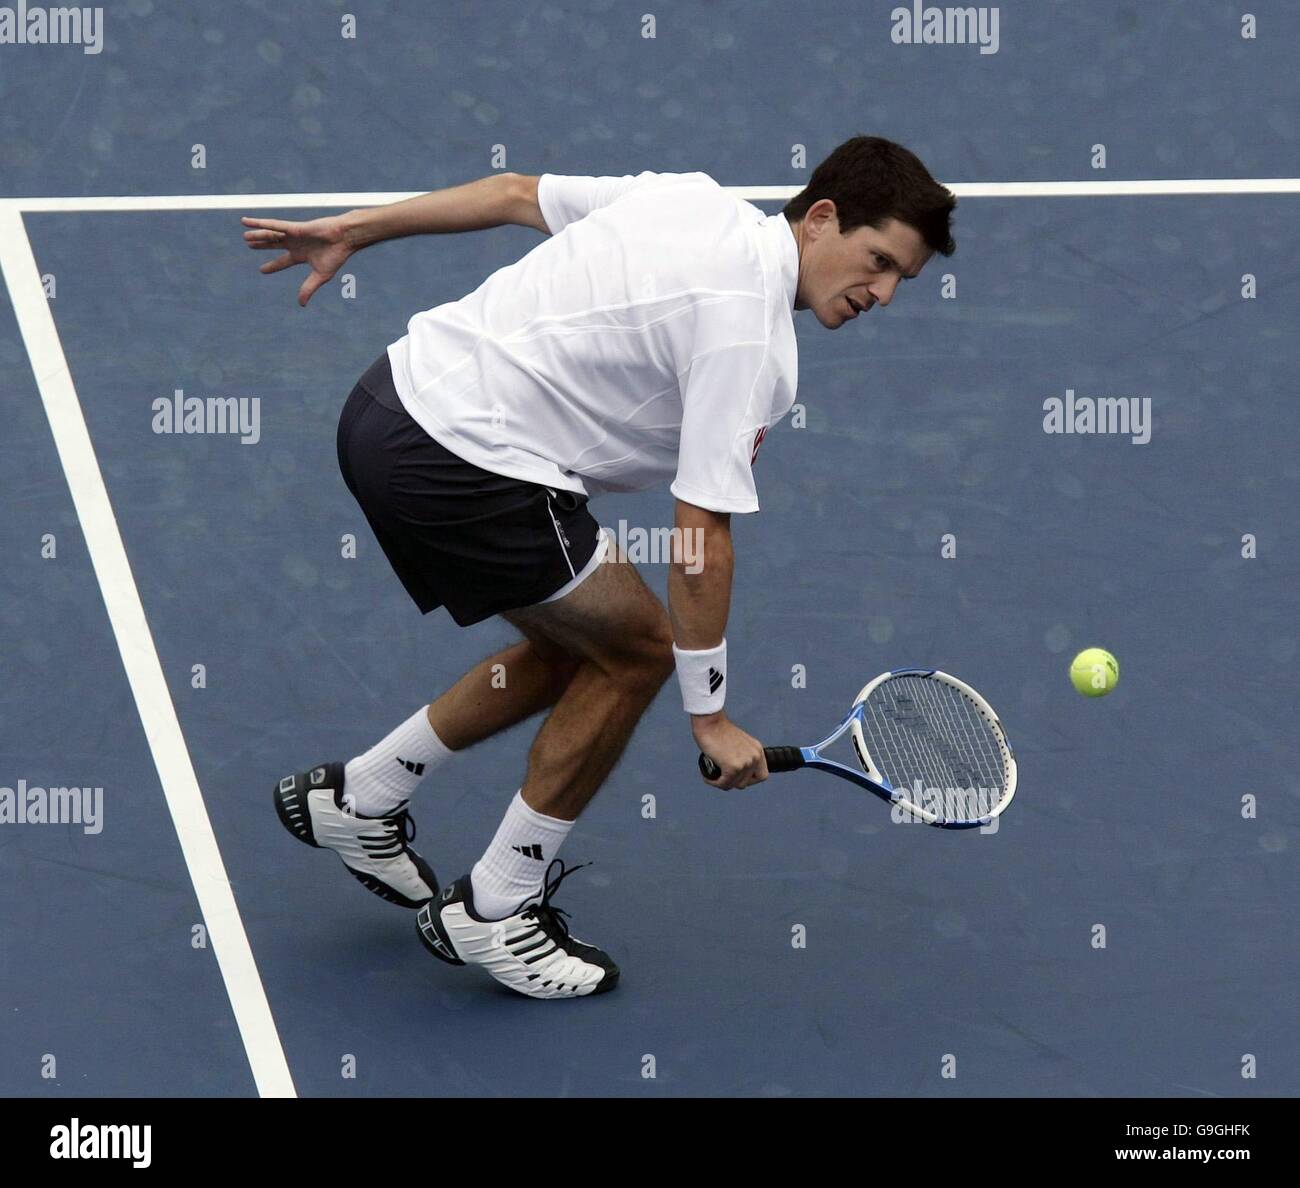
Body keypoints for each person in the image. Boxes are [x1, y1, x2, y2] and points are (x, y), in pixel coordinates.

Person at [246, 135, 956, 1000]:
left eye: (901, 281)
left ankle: (359, 798)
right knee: (640, 649)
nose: (880, 293)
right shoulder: (752, 341)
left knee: (586, 636)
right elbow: (700, 537)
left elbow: (511, 192)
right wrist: (712, 718)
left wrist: (357, 230)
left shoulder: (688, 195)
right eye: (877, 261)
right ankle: (497, 908)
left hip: (387, 401)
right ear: (821, 219)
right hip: (466, 461)